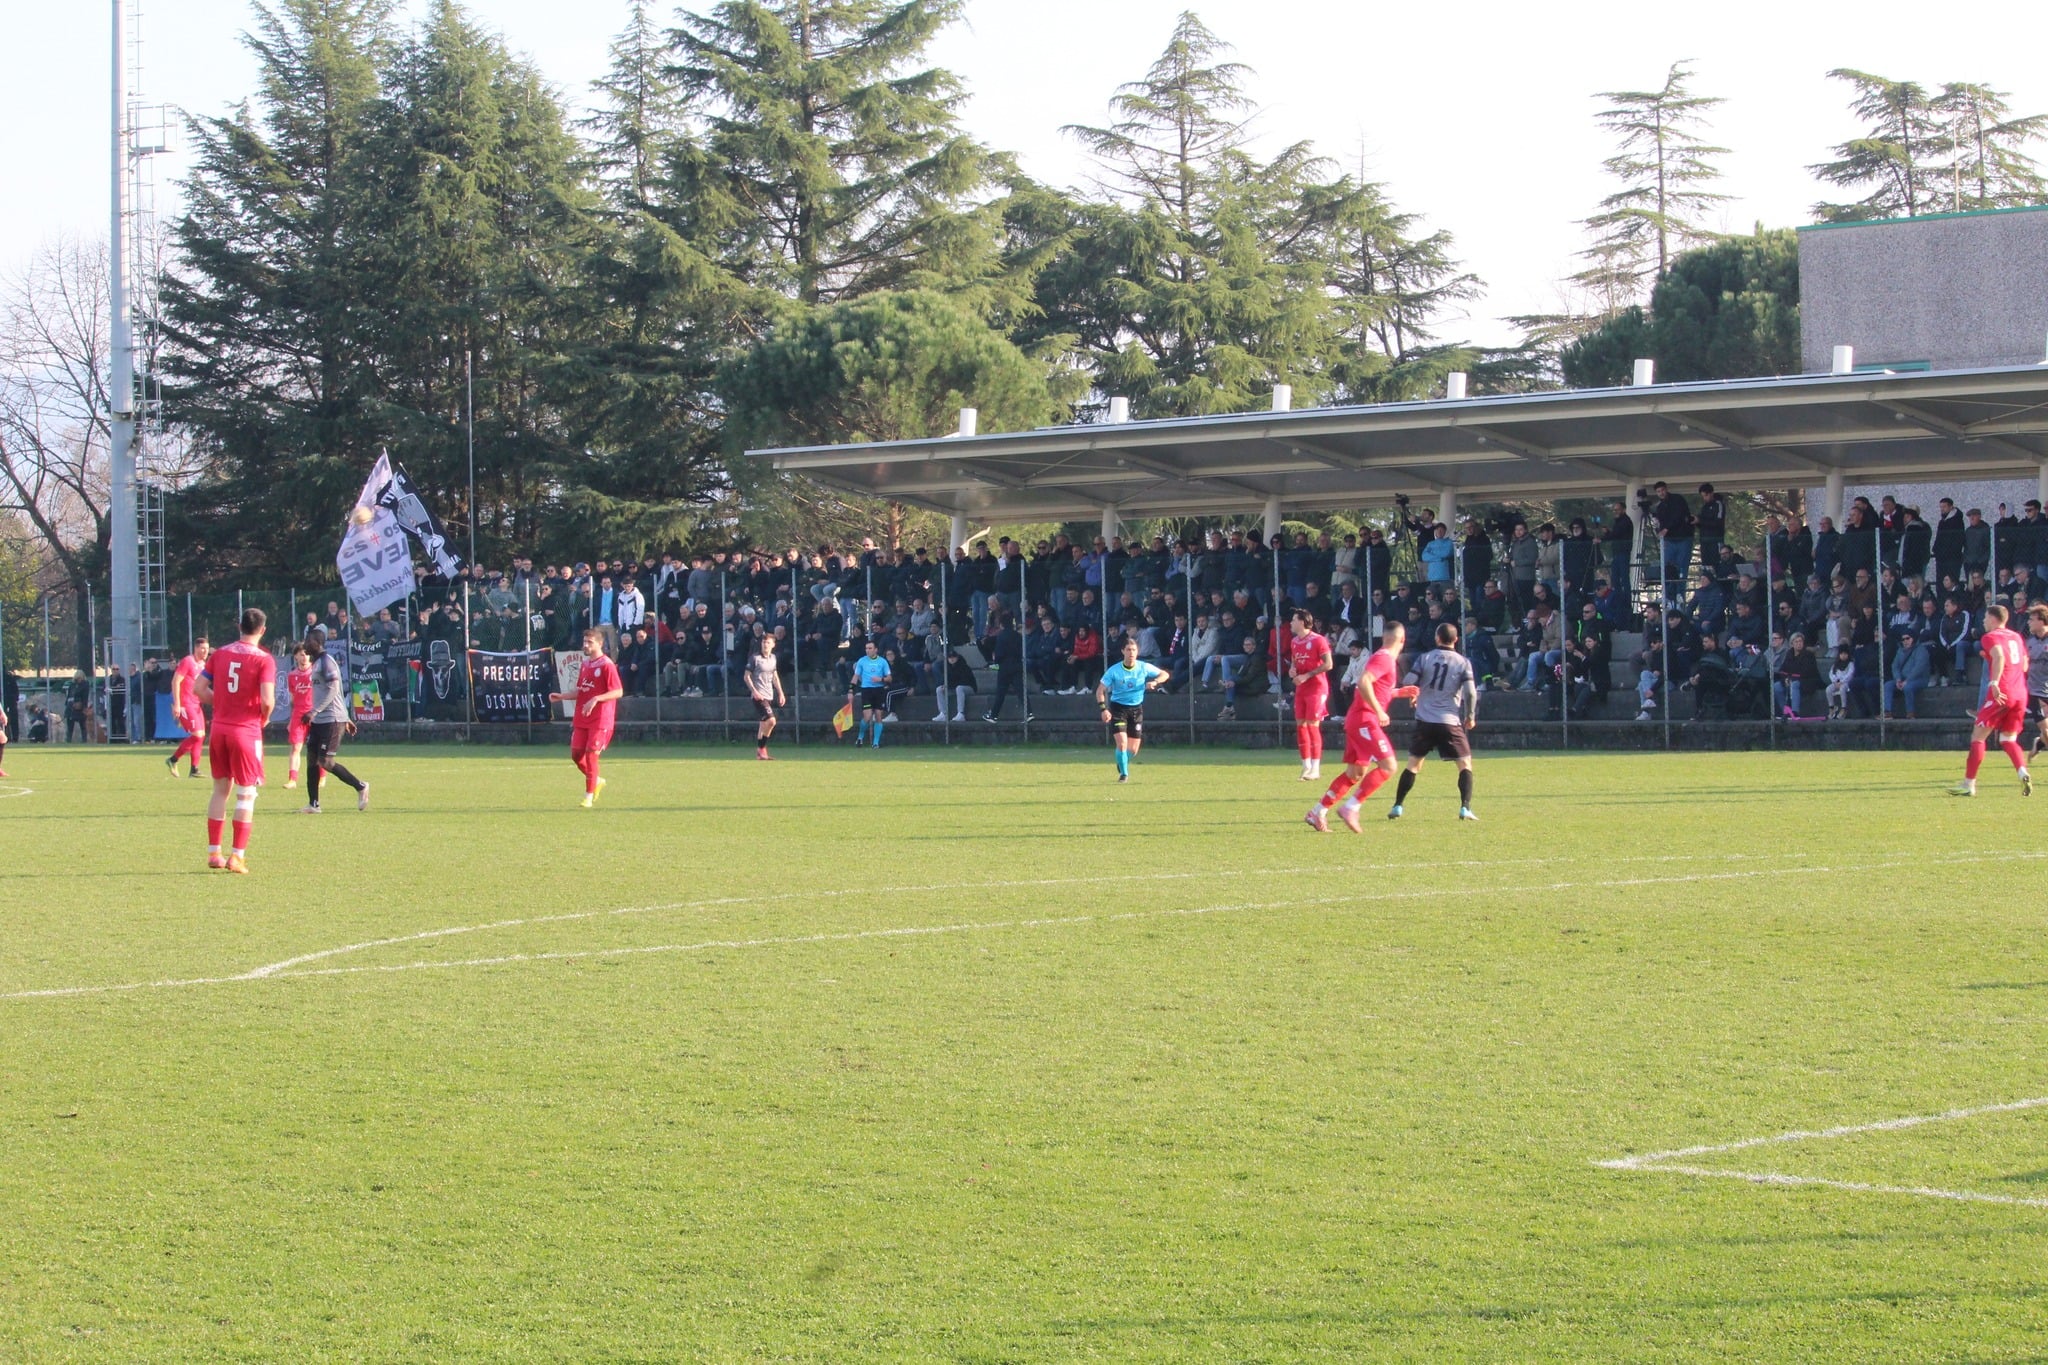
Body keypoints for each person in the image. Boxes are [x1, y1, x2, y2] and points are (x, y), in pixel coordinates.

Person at [1306, 621, 1418, 833]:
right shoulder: (1384, 658)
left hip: (1357, 719)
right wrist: (1379, 711)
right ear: (1402, 640)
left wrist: (1399, 693)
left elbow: (1376, 688)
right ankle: (1351, 807)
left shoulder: (1382, 658)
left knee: (1355, 773)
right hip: (1365, 719)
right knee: (1389, 766)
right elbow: (1364, 682)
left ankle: (1318, 811)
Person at [193, 608, 277, 873]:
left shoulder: (220, 653)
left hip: (218, 729)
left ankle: (214, 853)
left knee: (220, 790)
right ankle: (237, 856)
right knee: (247, 793)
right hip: (246, 730)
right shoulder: (264, 659)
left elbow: (198, 689)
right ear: (262, 630)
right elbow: (267, 700)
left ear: (239, 626)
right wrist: (264, 717)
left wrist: (222, 704)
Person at [1389, 622, 1479, 822]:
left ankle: (1397, 806)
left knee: (1413, 764)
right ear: (1456, 640)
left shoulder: (1425, 658)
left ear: (1437, 638)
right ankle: (1465, 808)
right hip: (1449, 721)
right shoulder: (1463, 662)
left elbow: (1409, 681)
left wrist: (1416, 694)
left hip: (1424, 720)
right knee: (1464, 763)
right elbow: (1471, 692)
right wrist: (1470, 716)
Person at [1951, 604, 2033, 797]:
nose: (1983, 621)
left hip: (2001, 692)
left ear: (1994, 619)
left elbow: (1999, 656)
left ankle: (1968, 784)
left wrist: (1995, 682)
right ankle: (2023, 772)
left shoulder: (1990, 637)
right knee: (2007, 739)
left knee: (1978, 737)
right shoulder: (2016, 637)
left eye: (1986, 618)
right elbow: (2024, 665)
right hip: (2020, 693)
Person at [548, 626, 624, 808]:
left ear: (600, 644)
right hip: (582, 717)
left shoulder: (607, 665)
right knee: (576, 755)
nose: (586, 645)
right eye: (584, 642)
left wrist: (597, 699)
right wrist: (562, 696)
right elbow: (583, 691)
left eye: (589, 642)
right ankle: (596, 780)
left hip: (600, 719)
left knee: (591, 756)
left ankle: (588, 796)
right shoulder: (586, 664)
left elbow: (618, 691)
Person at [299, 630, 369, 813]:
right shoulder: (316, 663)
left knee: (326, 762)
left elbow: (333, 690)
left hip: (331, 719)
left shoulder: (326, 661)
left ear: (316, 642)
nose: (305, 644)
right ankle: (313, 804)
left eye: (308, 640)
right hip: (320, 720)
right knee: (312, 760)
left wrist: (315, 711)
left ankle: (361, 786)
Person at [1095, 636, 1169, 782]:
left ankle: (1121, 761)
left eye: (1134, 650)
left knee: (1133, 750)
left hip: (1136, 709)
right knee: (1122, 743)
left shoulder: (1143, 667)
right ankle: (1124, 774)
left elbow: (1164, 674)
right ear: (1123, 651)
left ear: (1138, 651)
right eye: (1128, 650)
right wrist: (1104, 709)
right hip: (1118, 709)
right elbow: (1100, 690)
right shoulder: (1114, 671)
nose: (1131, 653)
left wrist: (1155, 682)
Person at [1286, 609, 1334, 780]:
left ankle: (1316, 767)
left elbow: (1328, 664)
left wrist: (1307, 675)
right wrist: (1293, 671)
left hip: (1316, 688)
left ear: (1302, 622)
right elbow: (1295, 663)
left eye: (1293, 620)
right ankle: (1305, 765)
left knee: (1313, 726)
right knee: (1301, 726)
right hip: (1302, 689)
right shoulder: (1294, 642)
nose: (1291, 623)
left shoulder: (1319, 640)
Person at [166, 637, 211, 777]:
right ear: (196, 648)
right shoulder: (188, 661)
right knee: (197, 735)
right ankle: (173, 760)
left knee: (201, 736)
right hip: (186, 703)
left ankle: (194, 769)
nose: (205, 651)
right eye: (202, 648)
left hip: (196, 704)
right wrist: (177, 704)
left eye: (207, 649)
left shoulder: (203, 664)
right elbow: (176, 681)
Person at [746, 635, 785, 760]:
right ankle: (762, 748)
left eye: (768, 642)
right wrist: (754, 691)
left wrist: (780, 692)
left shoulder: (773, 658)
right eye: (763, 642)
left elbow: (775, 676)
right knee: (771, 721)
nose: (765, 645)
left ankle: (760, 754)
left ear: (773, 644)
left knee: (763, 724)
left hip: (769, 694)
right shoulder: (755, 658)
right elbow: (746, 676)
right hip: (759, 696)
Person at [849, 637, 890, 749]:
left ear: (876, 649)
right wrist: (851, 690)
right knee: (867, 717)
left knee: (878, 716)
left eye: (870, 648)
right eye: (866, 648)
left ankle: (875, 743)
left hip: (879, 690)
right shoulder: (862, 661)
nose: (868, 650)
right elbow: (856, 676)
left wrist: (881, 679)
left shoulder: (882, 661)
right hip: (866, 690)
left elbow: (889, 678)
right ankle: (860, 737)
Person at [283, 646, 313, 788]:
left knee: (316, 748)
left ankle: (321, 777)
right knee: (295, 748)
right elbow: (292, 699)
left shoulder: (316, 672)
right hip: (298, 715)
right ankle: (292, 780)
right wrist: (291, 719)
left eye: (306, 654)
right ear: (296, 656)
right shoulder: (292, 676)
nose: (304, 657)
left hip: (314, 714)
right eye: (301, 654)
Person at [2025, 604, 2048, 759]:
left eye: (2032, 620)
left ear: (2042, 621)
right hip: (2033, 691)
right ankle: (2041, 741)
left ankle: (2039, 743)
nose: (2029, 622)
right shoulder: (2029, 642)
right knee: (2045, 729)